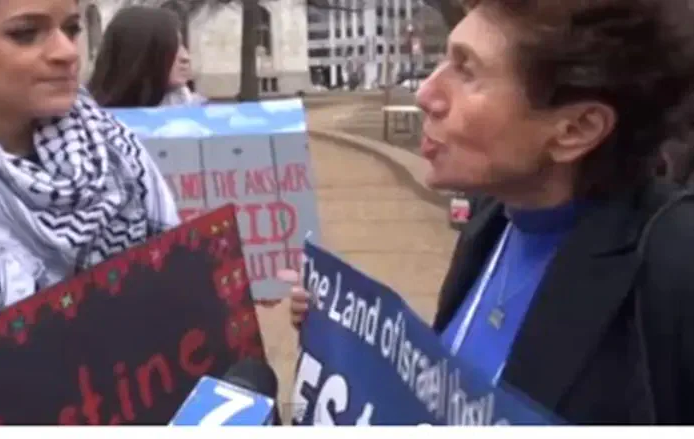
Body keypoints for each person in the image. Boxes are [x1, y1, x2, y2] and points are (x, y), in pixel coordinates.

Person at [280, 0, 694, 424]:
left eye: (467, 70)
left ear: (576, 129)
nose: (426, 94)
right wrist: (351, 335)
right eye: (446, 58)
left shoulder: (674, 267)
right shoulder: (493, 215)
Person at [0, 0, 180, 352]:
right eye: (25, 33)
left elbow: (177, 291)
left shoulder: (113, 146)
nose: (66, 52)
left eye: (71, 29)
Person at [87, 6, 205, 108]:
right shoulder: (89, 122)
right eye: (173, 46)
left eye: (182, 45)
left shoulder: (199, 113)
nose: (185, 57)